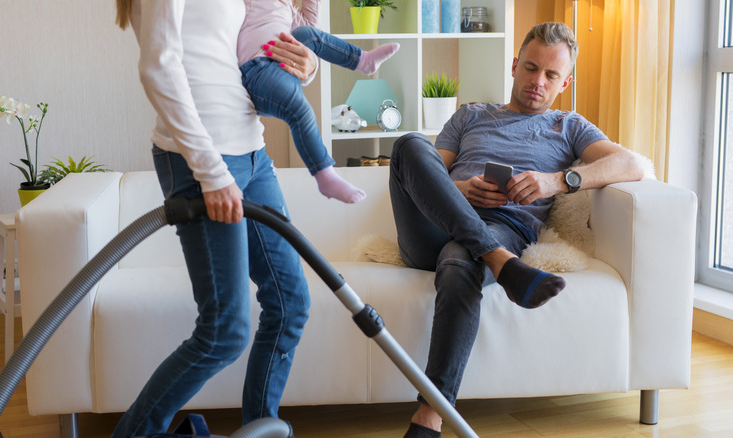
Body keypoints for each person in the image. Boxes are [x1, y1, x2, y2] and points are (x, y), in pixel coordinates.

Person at [390, 22, 645, 438]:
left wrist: (557, 181)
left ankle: (429, 419)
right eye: (530, 68)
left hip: (504, 229)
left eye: (551, 75)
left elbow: (632, 164)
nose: (537, 82)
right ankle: (500, 264)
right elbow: (424, 174)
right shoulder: (470, 114)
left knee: (460, 264)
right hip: (432, 228)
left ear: (566, 82)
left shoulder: (570, 126)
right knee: (408, 145)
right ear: (514, 65)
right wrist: (460, 190)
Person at [112, 1, 319, 436]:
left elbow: (250, 50)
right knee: (224, 330)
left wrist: (304, 64)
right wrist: (210, 172)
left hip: (252, 150)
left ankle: (259, 429)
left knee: (289, 303)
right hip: (201, 161)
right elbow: (158, 67)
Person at [238, 0, 400, 204]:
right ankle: (325, 175)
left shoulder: (285, 6)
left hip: (279, 65)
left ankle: (363, 60)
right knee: (300, 109)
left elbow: (312, 35)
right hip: (255, 71)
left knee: (307, 34)